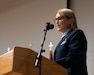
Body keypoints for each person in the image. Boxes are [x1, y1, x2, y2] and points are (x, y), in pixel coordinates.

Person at [53, 8, 88, 75]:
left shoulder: (76, 34)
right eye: (56, 19)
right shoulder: (63, 39)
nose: (57, 22)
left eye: (60, 18)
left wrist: (53, 64)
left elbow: (74, 57)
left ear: (70, 20)